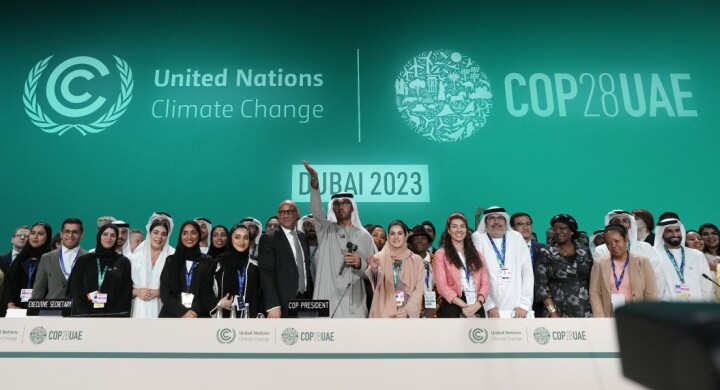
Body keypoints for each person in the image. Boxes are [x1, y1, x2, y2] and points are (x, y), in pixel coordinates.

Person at [304, 161, 376, 318]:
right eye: (336, 204)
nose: (341, 206)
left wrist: (360, 264)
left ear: (352, 207)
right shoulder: (326, 230)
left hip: (354, 303)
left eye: (345, 203)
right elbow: (316, 210)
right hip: (327, 300)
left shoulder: (365, 236)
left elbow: (377, 271)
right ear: (332, 208)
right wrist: (315, 182)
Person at [471, 207, 534, 318]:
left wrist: (524, 304)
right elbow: (476, 274)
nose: (496, 222)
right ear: (485, 221)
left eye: (500, 218)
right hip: (489, 309)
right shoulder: (478, 238)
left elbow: (527, 272)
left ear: (505, 220)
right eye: (491, 218)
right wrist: (488, 304)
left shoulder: (516, 237)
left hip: (517, 309)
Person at [593, 210, 666, 300]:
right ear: (610, 225)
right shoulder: (601, 250)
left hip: (642, 303)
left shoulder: (645, 248)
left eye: (624, 221)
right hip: (610, 303)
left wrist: (651, 304)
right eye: (617, 221)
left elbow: (657, 277)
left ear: (630, 224)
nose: (621, 224)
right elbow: (598, 283)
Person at [259, 200, 313, 318]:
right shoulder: (268, 239)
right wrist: (273, 305)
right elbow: (266, 274)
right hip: (281, 303)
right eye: (282, 212)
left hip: (304, 300)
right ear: (278, 215)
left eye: (289, 212)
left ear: (297, 213)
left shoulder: (303, 238)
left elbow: (305, 269)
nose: (285, 215)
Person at [589, 225, 658, 317]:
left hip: (638, 315)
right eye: (608, 243)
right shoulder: (600, 263)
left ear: (625, 239)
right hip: (609, 315)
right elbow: (594, 292)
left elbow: (651, 292)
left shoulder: (642, 261)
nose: (613, 245)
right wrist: (601, 318)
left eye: (617, 241)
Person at [67, 223, 132, 317]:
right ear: (99, 236)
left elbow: (125, 294)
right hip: (84, 317)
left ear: (116, 238)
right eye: (105, 234)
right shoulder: (84, 261)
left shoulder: (123, 262)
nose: (108, 238)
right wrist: (83, 315)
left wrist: (114, 316)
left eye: (113, 235)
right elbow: (75, 290)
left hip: (113, 319)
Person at [534, 214, 593, 318]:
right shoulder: (545, 252)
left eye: (562, 228)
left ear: (572, 231)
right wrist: (552, 312)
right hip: (556, 310)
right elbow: (541, 287)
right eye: (555, 229)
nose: (557, 231)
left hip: (584, 308)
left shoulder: (584, 251)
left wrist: (592, 305)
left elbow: (592, 279)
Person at [433, 212, 489, 318]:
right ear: (449, 230)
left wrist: (477, 304)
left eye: (462, 226)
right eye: (454, 226)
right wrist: (465, 307)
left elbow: (485, 284)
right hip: (453, 304)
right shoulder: (441, 254)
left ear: (467, 230)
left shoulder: (478, 254)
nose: (459, 230)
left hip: (476, 304)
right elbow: (442, 286)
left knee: (479, 334)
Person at [366, 221, 425, 318]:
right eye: (392, 233)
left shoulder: (416, 260)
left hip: (406, 313)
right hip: (383, 311)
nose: (396, 237)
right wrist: (374, 269)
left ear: (406, 236)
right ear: (388, 237)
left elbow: (419, 289)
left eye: (400, 233)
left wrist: (408, 310)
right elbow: (375, 283)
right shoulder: (379, 257)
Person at [159, 221, 215, 318]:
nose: (189, 237)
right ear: (180, 236)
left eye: (193, 233)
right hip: (172, 315)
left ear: (199, 235)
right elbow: (165, 292)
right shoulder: (171, 261)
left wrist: (193, 312)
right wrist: (182, 312)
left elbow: (208, 292)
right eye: (185, 233)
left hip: (198, 316)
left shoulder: (207, 261)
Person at [653, 218, 714, 302]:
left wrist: (704, 304)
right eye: (669, 231)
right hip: (667, 307)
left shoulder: (697, 255)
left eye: (677, 230)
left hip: (695, 306)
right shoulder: (654, 254)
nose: (675, 234)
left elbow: (706, 284)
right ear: (661, 234)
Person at [211, 224, 262, 318]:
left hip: (251, 320)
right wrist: (218, 304)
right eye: (237, 237)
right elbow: (205, 288)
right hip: (222, 320)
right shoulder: (219, 263)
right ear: (230, 239)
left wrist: (261, 313)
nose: (242, 242)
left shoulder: (256, 264)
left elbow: (263, 291)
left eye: (246, 238)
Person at [2, 222, 52, 314]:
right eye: (32, 233)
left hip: (42, 310)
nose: (35, 237)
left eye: (40, 234)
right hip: (16, 309)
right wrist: (10, 303)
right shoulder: (20, 259)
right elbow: (8, 283)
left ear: (47, 237)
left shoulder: (52, 259)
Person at [32, 218, 88, 300]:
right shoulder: (46, 258)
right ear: (61, 234)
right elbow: (39, 289)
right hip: (52, 309)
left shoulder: (90, 258)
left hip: (79, 310)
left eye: (75, 232)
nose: (70, 235)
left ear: (82, 234)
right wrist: (33, 311)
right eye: (67, 231)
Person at [130, 218, 173, 318]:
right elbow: (123, 288)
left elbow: (177, 287)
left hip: (162, 307)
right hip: (138, 308)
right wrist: (137, 291)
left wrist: (160, 292)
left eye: (164, 234)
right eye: (156, 232)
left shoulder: (171, 259)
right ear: (149, 234)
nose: (159, 237)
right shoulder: (134, 258)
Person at [510, 212, 547, 316]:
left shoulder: (543, 248)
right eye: (520, 224)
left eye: (528, 223)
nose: (525, 227)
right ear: (512, 228)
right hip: (517, 301)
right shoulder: (508, 250)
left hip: (541, 300)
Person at [408, 225, 438, 317]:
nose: (419, 241)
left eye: (423, 238)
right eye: (416, 238)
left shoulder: (436, 260)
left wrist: (437, 307)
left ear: (429, 243)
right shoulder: (405, 261)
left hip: (434, 312)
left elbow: (442, 286)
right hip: (409, 311)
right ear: (411, 242)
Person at [298, 214, 319, 282]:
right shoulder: (298, 249)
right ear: (303, 227)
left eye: (315, 224)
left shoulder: (327, 249)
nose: (311, 227)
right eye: (308, 224)